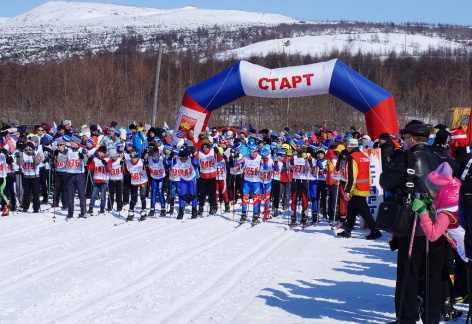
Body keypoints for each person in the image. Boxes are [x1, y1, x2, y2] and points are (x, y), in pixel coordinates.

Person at [379, 122, 445, 324]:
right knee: (433, 275)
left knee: (409, 273)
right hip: (438, 222)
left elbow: (385, 181)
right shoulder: (441, 158)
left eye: (404, 138)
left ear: (412, 139)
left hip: (413, 223)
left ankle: (407, 318)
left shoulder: (406, 158)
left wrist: (392, 162)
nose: (402, 142)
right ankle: (431, 317)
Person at [412, 162, 464, 322]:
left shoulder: (446, 211)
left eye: (431, 191)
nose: (429, 193)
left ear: (438, 190)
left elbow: (433, 234)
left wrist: (422, 213)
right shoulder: (455, 194)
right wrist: (432, 207)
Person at [336, 138, 381, 239]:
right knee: (351, 208)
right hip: (364, 186)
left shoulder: (352, 157)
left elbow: (351, 176)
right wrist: (368, 185)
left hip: (356, 188)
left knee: (364, 210)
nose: (347, 148)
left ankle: (375, 230)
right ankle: (348, 230)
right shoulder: (363, 156)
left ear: (350, 146)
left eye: (348, 146)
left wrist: (347, 191)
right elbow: (369, 174)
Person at [65, 135, 88, 219]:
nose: (71, 143)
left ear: (77, 142)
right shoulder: (68, 150)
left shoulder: (82, 150)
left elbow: (86, 160)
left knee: (81, 194)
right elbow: (62, 158)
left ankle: (83, 212)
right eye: (71, 141)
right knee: (70, 195)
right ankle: (70, 213)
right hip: (70, 174)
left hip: (79, 174)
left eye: (73, 141)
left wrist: (82, 157)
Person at [124, 149, 148, 221]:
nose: (133, 159)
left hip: (142, 181)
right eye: (132, 158)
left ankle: (143, 212)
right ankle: (131, 212)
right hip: (134, 181)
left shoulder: (141, 162)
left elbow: (148, 167)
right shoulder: (128, 162)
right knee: (133, 197)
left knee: (142, 196)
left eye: (134, 158)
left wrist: (145, 160)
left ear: (137, 157)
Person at [17, 141, 41, 213]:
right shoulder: (23, 154)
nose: (28, 148)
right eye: (27, 147)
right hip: (26, 175)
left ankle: (36, 207)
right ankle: (25, 206)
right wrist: (20, 156)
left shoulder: (36, 153)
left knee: (35, 192)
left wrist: (34, 156)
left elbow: (37, 163)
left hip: (34, 176)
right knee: (26, 192)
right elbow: (19, 163)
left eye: (29, 147)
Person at [87, 145, 111, 215]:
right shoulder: (95, 159)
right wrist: (89, 162)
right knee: (94, 194)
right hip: (97, 179)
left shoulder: (107, 160)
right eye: (98, 152)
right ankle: (91, 208)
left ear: (104, 153)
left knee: (103, 195)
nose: (99, 153)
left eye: (100, 152)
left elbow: (109, 169)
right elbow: (91, 168)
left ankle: (102, 208)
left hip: (104, 180)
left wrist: (106, 164)